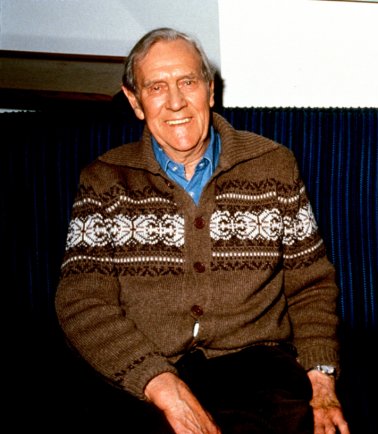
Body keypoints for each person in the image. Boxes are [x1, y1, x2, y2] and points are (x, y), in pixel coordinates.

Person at [55, 27, 349, 434]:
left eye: (188, 82)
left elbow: (311, 284)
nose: (175, 101)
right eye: (156, 87)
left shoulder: (273, 165)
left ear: (210, 90)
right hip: (143, 371)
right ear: (135, 101)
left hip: (256, 369)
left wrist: (320, 379)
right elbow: (81, 301)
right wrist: (160, 384)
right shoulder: (105, 181)